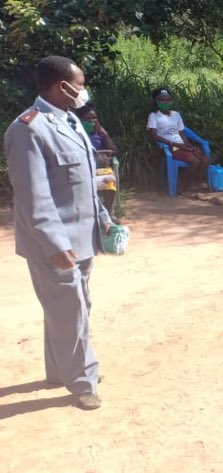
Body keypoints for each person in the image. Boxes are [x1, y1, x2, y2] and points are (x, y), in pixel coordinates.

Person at [5, 56, 113, 410]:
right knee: (71, 309)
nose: (83, 91)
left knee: (69, 307)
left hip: (82, 237)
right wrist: (55, 244)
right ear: (60, 86)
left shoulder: (70, 121)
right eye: (79, 85)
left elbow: (84, 183)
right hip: (53, 244)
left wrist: (104, 218)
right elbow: (34, 196)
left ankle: (59, 370)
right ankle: (83, 380)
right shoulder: (28, 129)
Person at [146, 88, 210, 194]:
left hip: (181, 146)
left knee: (205, 160)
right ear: (156, 101)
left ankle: (188, 182)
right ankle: (182, 187)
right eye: (162, 100)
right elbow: (154, 136)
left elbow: (181, 133)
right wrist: (176, 144)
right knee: (194, 161)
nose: (165, 102)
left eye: (168, 100)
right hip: (170, 146)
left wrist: (189, 146)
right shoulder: (153, 116)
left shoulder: (176, 114)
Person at [74, 103, 119, 221]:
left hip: (100, 167)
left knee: (109, 179)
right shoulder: (75, 133)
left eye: (95, 118)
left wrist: (104, 133)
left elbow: (114, 150)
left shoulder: (99, 133)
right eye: (89, 119)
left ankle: (108, 212)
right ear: (81, 120)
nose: (93, 121)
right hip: (82, 167)